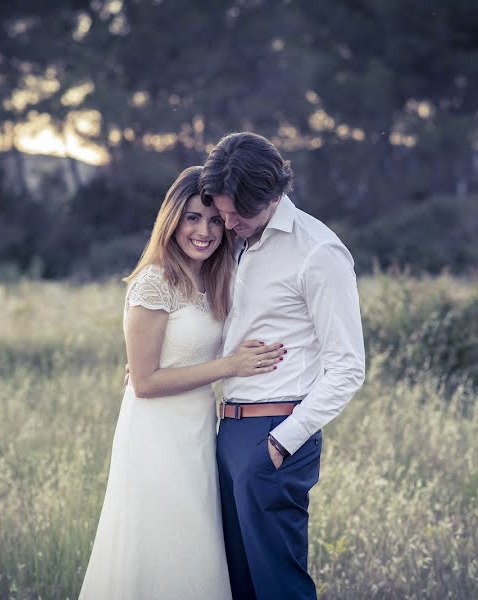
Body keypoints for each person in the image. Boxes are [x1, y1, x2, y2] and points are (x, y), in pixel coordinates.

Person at [78, 166, 286, 600]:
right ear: (172, 219)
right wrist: (229, 366)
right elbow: (145, 382)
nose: (205, 231)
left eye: (214, 220)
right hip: (156, 434)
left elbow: (174, 356)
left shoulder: (212, 278)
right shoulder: (154, 282)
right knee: (162, 544)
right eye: (193, 217)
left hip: (196, 433)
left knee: (196, 545)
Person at [201, 132, 366, 600]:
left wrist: (280, 443)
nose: (228, 224)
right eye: (223, 211)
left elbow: (348, 367)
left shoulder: (318, 252)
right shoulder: (233, 241)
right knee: (239, 585)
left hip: (275, 433)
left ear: (275, 195)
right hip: (227, 432)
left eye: (239, 214)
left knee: (279, 588)